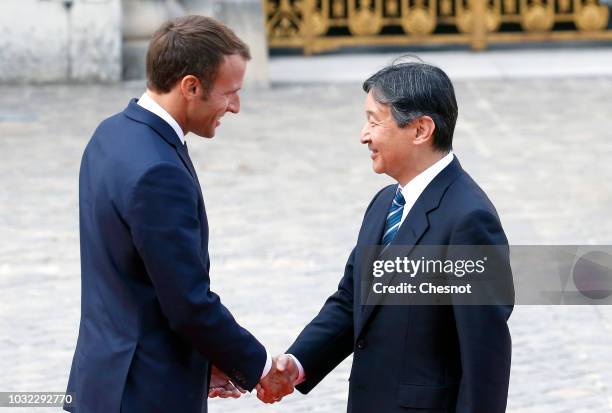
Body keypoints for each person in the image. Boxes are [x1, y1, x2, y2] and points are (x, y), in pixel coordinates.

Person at [64, 15, 292, 413]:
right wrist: (255, 366)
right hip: (146, 394)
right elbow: (187, 302)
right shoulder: (158, 171)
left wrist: (205, 361)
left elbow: (136, 281)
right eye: (229, 92)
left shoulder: (111, 133)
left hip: (103, 379)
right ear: (191, 86)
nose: (235, 107)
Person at [259, 61, 514, 412]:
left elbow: (485, 357)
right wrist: (297, 363)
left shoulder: (470, 221)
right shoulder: (384, 203)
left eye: (375, 121)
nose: (364, 135)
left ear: (421, 129)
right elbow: (352, 300)